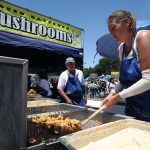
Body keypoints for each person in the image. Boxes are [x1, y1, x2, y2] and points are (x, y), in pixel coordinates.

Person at [101, 10, 150, 122]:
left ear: (127, 22)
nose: (111, 34)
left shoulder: (143, 37)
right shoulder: (120, 49)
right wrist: (112, 93)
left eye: (113, 28)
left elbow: (148, 80)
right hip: (132, 111)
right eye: (109, 31)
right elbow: (123, 81)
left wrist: (118, 97)